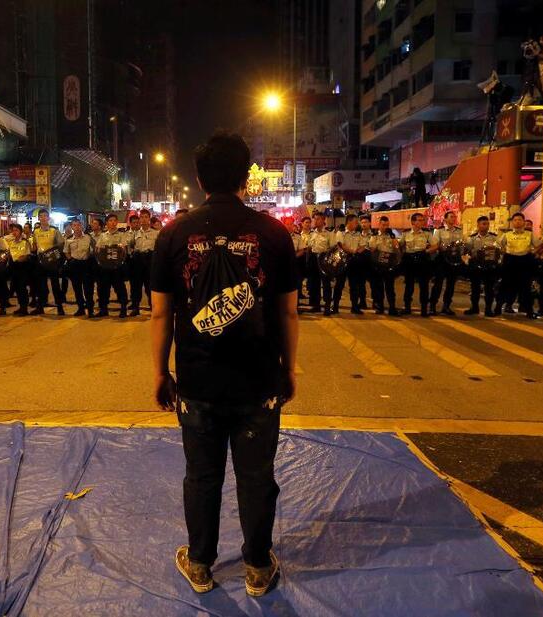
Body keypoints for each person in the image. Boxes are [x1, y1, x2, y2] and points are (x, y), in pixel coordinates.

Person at [150, 131, 297, 598]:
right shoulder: (273, 234)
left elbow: (161, 312)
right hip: (259, 381)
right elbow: (288, 311)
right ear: (244, 176)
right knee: (257, 477)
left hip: (197, 381)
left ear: (198, 178)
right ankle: (257, 567)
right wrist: (288, 370)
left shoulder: (173, 234)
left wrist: (160, 372)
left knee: (202, 475)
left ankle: (200, 565)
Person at [497, 212, 539, 319]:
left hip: (525, 261)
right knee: (505, 285)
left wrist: (533, 253)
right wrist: (503, 253)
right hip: (510, 261)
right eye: (515, 220)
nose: (517, 222)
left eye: (520, 220)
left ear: (524, 222)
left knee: (526, 287)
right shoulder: (507, 235)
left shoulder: (529, 234)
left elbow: (539, 245)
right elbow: (498, 246)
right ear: (512, 222)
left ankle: (529, 311)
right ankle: (497, 308)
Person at [428, 210, 464, 315]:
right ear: (446, 219)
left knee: (451, 285)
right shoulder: (439, 231)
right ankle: (432, 306)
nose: (453, 218)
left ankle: (446, 306)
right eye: (451, 217)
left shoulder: (459, 231)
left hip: (454, 261)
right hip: (442, 260)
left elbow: (461, 244)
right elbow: (435, 244)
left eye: (454, 217)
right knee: (438, 284)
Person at [95, 213, 130, 318]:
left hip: (116, 267)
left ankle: (123, 308)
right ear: (107, 223)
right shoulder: (102, 235)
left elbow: (124, 251)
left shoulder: (121, 235)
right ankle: (103, 309)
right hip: (105, 267)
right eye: (110, 221)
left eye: (114, 220)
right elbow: (98, 249)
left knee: (120, 288)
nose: (113, 223)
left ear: (117, 223)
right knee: (103, 289)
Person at [31, 208, 65, 316]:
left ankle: (60, 307)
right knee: (40, 285)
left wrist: (56, 258)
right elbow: (35, 246)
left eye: (45, 216)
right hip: (40, 262)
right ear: (39, 218)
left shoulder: (54, 231)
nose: (43, 218)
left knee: (55, 285)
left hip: (52, 262)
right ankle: (40, 307)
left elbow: (61, 245)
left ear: (48, 218)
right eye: (41, 216)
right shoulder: (36, 231)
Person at [465, 216, 501, 316]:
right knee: (475, 288)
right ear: (478, 225)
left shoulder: (494, 237)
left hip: (489, 265)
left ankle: (488, 309)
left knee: (489, 288)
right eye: (483, 224)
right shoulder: (472, 238)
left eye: (487, 224)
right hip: (476, 265)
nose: (486, 226)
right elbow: (467, 251)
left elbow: (498, 249)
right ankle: (474, 307)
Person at [400, 212, 433, 317]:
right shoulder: (405, 233)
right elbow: (400, 246)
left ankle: (424, 309)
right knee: (409, 285)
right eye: (419, 220)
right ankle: (407, 307)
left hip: (422, 260)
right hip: (409, 261)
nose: (422, 222)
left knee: (424, 285)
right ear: (413, 222)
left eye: (422, 220)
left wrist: (426, 252)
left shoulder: (427, 233)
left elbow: (435, 245)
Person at [305, 212, 336, 315]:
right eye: (314, 219)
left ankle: (327, 306)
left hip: (324, 259)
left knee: (326, 284)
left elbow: (332, 248)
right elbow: (309, 247)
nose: (315, 221)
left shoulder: (329, 234)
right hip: (314, 259)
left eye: (318, 219)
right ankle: (316, 305)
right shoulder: (312, 233)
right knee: (314, 284)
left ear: (323, 221)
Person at [129, 209, 158, 316]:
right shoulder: (135, 233)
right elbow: (131, 246)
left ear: (149, 219)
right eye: (142, 217)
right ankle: (135, 307)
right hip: (138, 261)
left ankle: (153, 307)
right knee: (136, 286)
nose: (144, 219)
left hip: (150, 261)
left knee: (150, 286)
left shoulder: (156, 233)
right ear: (139, 219)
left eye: (146, 217)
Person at [370, 215, 401, 315]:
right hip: (378, 264)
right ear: (379, 225)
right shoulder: (374, 236)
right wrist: (376, 242)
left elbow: (396, 249)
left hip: (389, 264)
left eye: (387, 225)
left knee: (390, 287)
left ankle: (392, 307)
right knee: (379, 287)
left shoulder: (391, 235)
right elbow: (372, 249)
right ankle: (380, 307)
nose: (385, 227)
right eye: (383, 225)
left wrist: (394, 241)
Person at [64, 220, 95, 316]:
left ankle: (90, 309)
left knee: (88, 289)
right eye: (74, 225)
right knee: (77, 288)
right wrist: (70, 260)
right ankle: (80, 308)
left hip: (86, 265)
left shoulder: (88, 237)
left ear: (81, 226)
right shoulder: (69, 239)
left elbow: (94, 250)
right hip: (74, 265)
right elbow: (66, 251)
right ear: (72, 227)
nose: (76, 227)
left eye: (78, 225)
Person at [340, 214, 366, 314]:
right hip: (343, 261)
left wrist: (356, 252)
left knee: (354, 285)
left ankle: (355, 306)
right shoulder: (341, 233)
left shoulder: (358, 234)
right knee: (340, 284)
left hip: (354, 262)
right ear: (349, 222)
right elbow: (341, 245)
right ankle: (335, 306)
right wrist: (353, 251)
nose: (357, 224)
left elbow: (363, 245)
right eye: (355, 222)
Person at [5, 223, 32, 316]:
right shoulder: (11, 242)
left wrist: (22, 258)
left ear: (21, 231)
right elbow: (9, 253)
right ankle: (21, 307)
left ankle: (24, 309)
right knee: (16, 288)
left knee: (22, 288)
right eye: (13, 230)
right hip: (13, 267)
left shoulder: (25, 242)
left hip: (22, 267)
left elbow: (28, 255)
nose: (14, 232)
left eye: (16, 230)